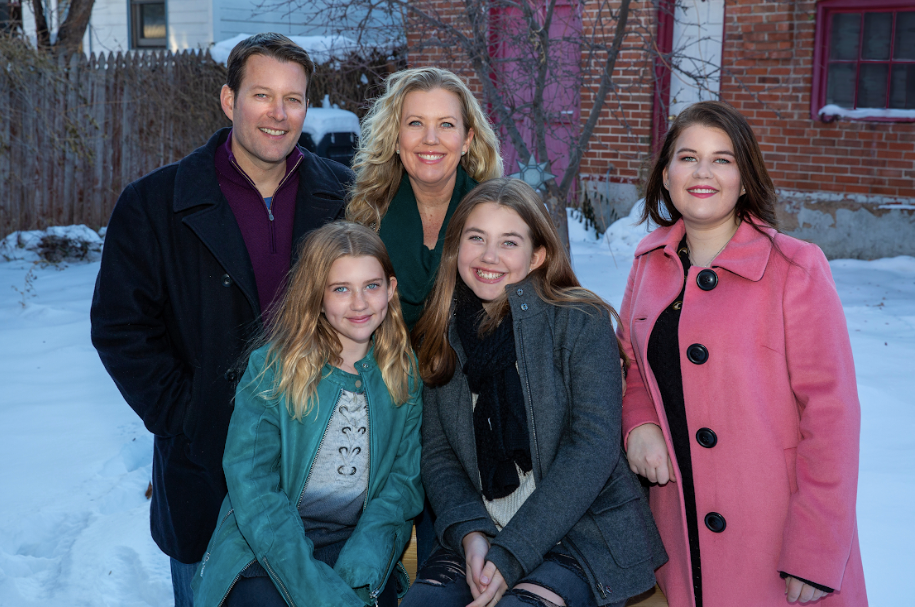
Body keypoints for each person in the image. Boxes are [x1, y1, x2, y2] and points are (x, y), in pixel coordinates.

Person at [89, 33, 353, 606]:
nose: (278, 114)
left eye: (293, 98)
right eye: (262, 95)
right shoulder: (155, 204)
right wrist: (190, 415)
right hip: (206, 476)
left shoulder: (345, 198)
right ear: (229, 101)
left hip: (322, 475)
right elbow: (120, 328)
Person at [618, 101, 867, 606]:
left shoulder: (796, 269)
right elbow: (633, 368)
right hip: (678, 530)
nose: (703, 172)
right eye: (688, 157)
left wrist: (816, 549)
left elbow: (832, 415)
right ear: (666, 176)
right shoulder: (648, 264)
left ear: (745, 178)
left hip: (776, 534)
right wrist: (640, 423)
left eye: (722, 159)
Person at [401, 178, 667, 607]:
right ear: (457, 248)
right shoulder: (443, 331)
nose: (489, 256)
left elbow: (592, 448)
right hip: (482, 530)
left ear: (537, 255)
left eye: (509, 242)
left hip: (577, 534)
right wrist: (470, 535)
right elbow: (438, 453)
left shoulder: (579, 321)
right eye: (476, 238)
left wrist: (511, 554)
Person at [192, 222, 423, 607]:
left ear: (391, 290)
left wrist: (362, 569)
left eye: (371, 285)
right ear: (316, 296)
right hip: (268, 546)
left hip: (355, 544)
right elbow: (253, 486)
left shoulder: (402, 373)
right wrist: (319, 592)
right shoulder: (272, 370)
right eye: (340, 289)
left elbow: (403, 486)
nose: (360, 303)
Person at [347, 66, 503, 565]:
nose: (430, 139)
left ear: (468, 138)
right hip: (381, 415)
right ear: (395, 137)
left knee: (455, 563)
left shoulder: (497, 213)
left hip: (470, 420)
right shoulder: (362, 213)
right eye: (415, 123)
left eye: (446, 125)